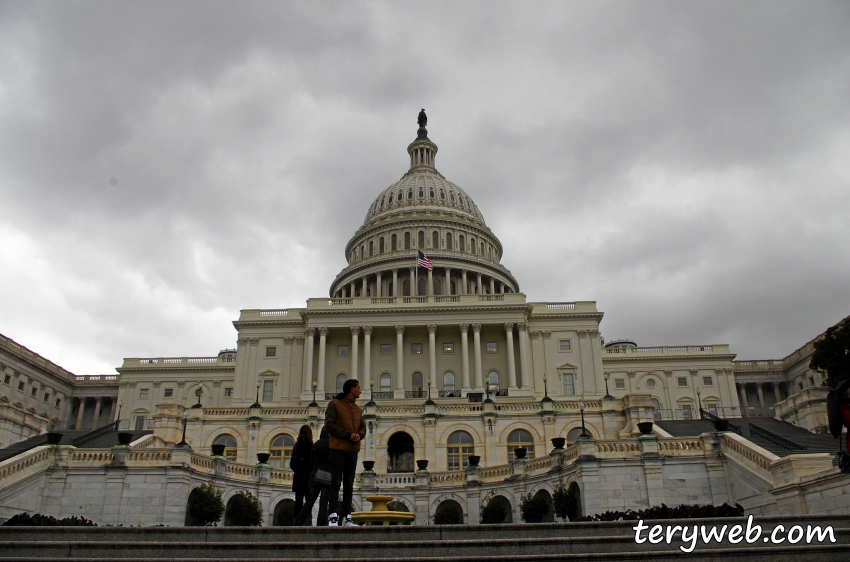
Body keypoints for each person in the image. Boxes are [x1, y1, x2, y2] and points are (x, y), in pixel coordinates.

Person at [325, 378, 366, 527]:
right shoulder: (334, 404)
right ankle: (333, 515)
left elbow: (363, 427)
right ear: (351, 389)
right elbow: (329, 425)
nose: (360, 391)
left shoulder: (357, 409)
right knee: (336, 482)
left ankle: (347, 516)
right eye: (359, 388)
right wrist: (347, 435)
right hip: (338, 449)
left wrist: (359, 435)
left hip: (352, 450)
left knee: (349, 484)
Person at [293, 426, 331, 526]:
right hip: (326, 477)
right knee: (323, 502)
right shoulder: (331, 445)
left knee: (309, 501)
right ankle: (321, 524)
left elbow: (312, 461)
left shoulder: (315, 445)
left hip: (314, 477)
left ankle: (298, 521)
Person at [289, 424, 313, 515]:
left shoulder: (297, 446)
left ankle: (296, 524)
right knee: (308, 502)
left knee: (298, 502)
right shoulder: (312, 447)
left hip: (298, 479)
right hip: (308, 479)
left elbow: (292, 464)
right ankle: (307, 522)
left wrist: (298, 470)